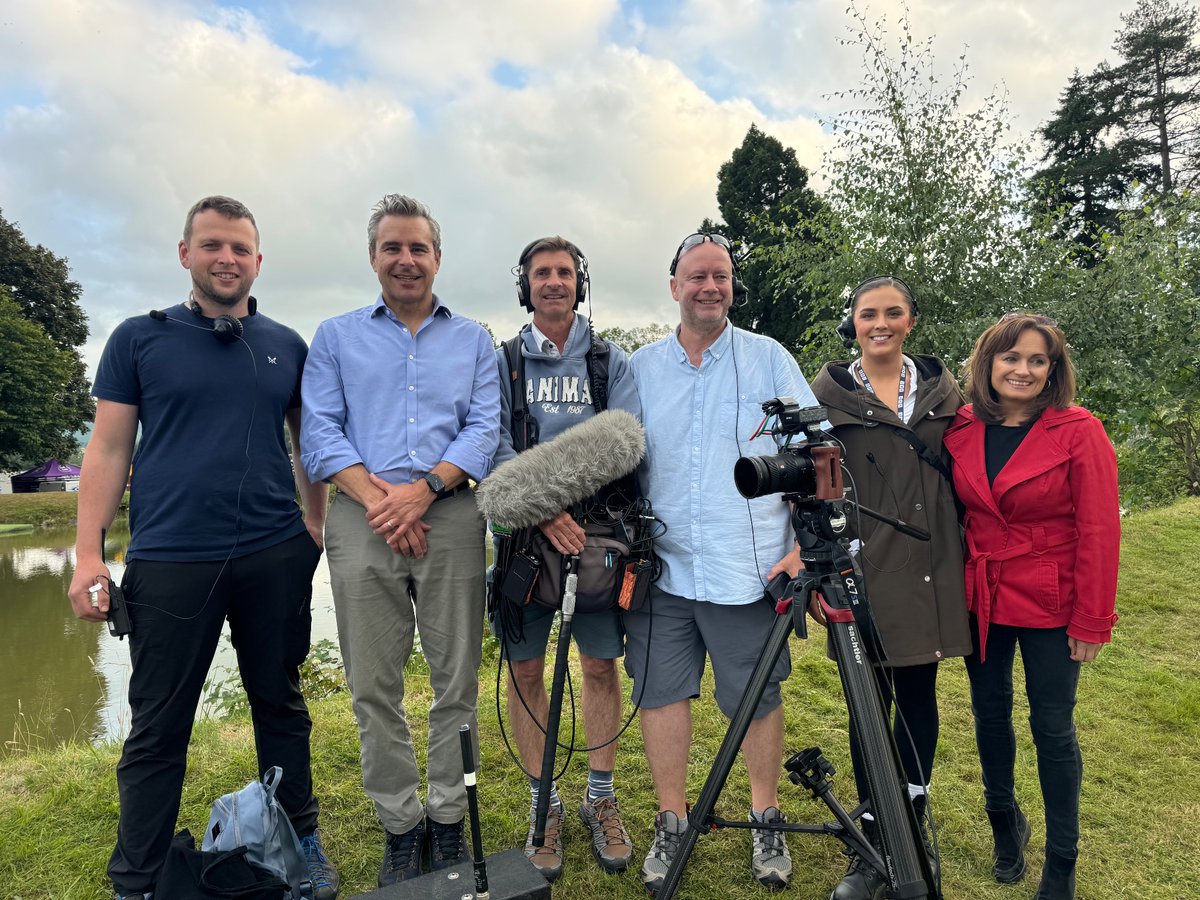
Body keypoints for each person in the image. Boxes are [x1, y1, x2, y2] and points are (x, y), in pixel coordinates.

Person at [66, 196, 337, 900]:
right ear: (185, 253)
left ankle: (301, 842)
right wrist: (89, 555)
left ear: (258, 261)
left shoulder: (287, 345)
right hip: (169, 559)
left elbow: (309, 443)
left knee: (281, 704)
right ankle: (138, 878)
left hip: (273, 554)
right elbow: (108, 449)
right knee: (159, 725)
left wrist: (314, 523)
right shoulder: (138, 339)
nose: (226, 259)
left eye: (240, 248)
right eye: (212, 245)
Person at [300, 194, 500, 887]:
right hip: (363, 519)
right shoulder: (335, 337)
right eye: (393, 247)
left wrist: (426, 491)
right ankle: (400, 824)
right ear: (373, 257)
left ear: (437, 258)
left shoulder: (473, 340)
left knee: (456, 679)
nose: (406, 259)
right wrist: (384, 500)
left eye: (418, 248)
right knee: (372, 685)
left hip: (451, 515)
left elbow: (484, 428)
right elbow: (319, 430)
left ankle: (447, 819)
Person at [626, 233, 820, 893]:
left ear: (732, 285)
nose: (710, 287)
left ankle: (765, 816)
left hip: (749, 571)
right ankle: (672, 820)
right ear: (674, 286)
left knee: (756, 699)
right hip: (663, 573)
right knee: (660, 695)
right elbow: (616, 458)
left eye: (722, 276)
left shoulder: (769, 358)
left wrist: (802, 548)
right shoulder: (640, 369)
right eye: (697, 276)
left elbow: (819, 452)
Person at [944, 313, 1119, 900]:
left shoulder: (1079, 430)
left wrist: (1093, 619)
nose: (1023, 369)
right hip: (982, 596)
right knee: (989, 715)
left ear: (1052, 370)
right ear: (988, 363)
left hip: (1052, 596)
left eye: (1037, 360)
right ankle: (1004, 825)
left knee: (1052, 727)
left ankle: (1062, 861)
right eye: (1011, 357)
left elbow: (1100, 531)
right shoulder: (962, 425)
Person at [810, 276, 972, 899]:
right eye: (868, 314)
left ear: (910, 320)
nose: (880, 323)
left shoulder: (943, 393)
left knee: (918, 691)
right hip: (862, 565)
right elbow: (810, 487)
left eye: (893, 312)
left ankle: (910, 810)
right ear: (852, 323)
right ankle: (875, 826)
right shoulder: (826, 396)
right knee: (867, 700)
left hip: (929, 560)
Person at [490, 236, 641, 880]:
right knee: (526, 673)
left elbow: (625, 443)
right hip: (526, 541)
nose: (553, 282)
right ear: (524, 286)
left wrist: (561, 501)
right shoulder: (501, 362)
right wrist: (544, 509)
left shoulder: (611, 361)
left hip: (598, 542)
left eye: (564, 272)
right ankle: (543, 800)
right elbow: (492, 444)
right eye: (541, 273)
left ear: (580, 284)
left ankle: (600, 795)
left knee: (601, 667)